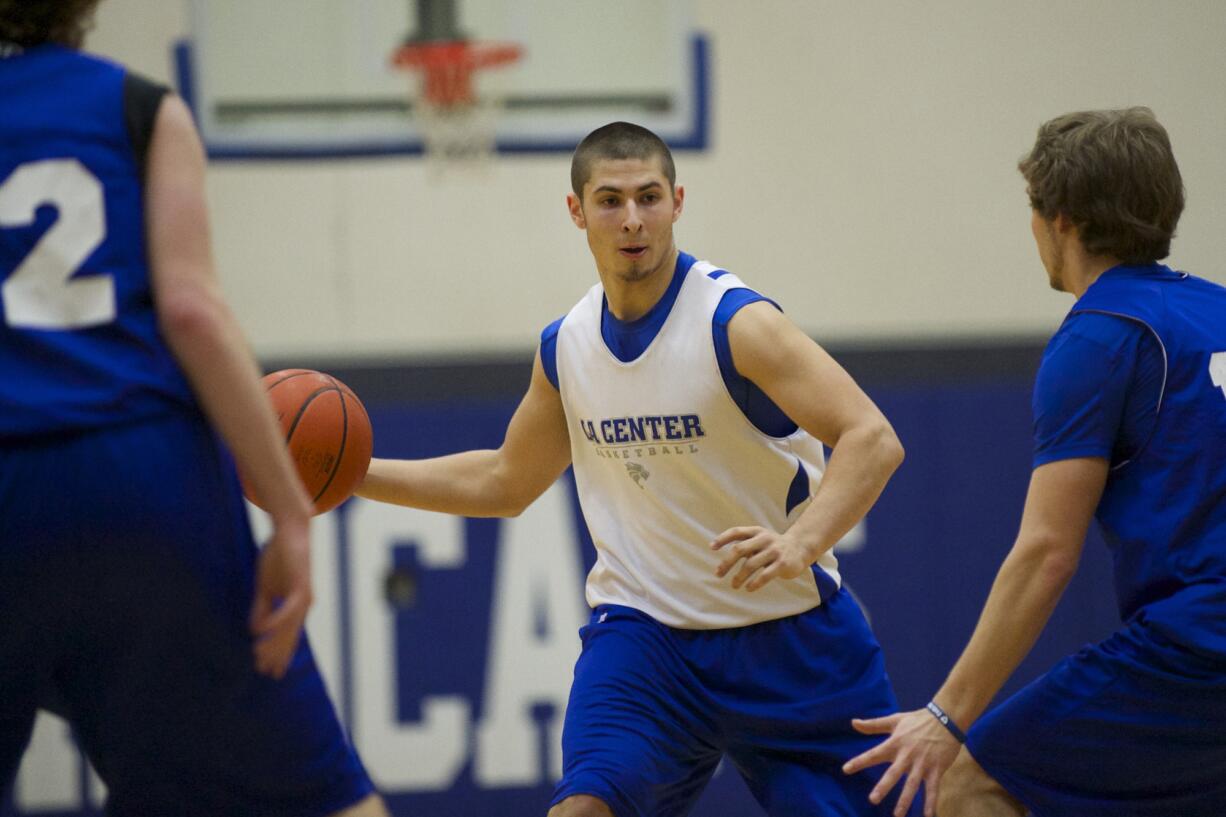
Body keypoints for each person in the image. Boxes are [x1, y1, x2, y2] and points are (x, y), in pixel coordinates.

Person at [357, 120, 917, 817]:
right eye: (611, 200)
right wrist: (354, 475)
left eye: (649, 197)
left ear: (678, 202)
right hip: (647, 640)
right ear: (576, 211)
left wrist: (800, 542)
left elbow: (872, 437)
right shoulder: (567, 347)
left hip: (788, 638)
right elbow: (505, 481)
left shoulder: (737, 324)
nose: (632, 220)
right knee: (583, 810)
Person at [0, 2, 387, 814]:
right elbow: (191, 313)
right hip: (139, 474)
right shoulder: (142, 107)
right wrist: (289, 515)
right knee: (327, 801)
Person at [844, 107, 1226, 817]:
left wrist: (946, 714)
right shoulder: (1217, 310)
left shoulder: (1099, 337)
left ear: (1062, 220)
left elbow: (1047, 551)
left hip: (1196, 651)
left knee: (963, 782)